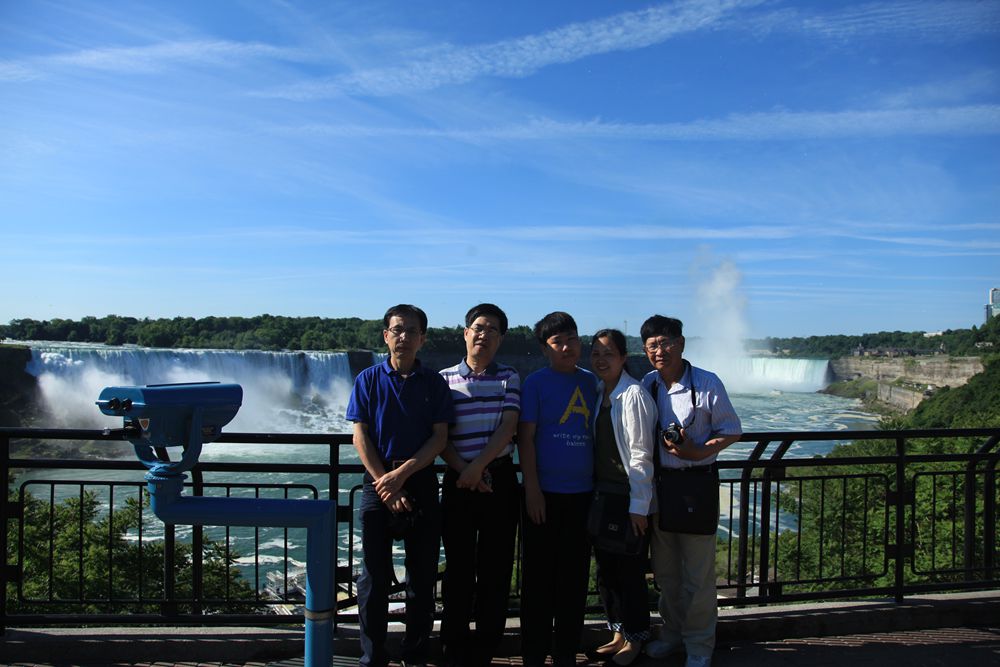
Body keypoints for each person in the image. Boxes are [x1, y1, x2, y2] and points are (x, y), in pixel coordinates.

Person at [345, 304, 454, 667]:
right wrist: (385, 483)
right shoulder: (367, 380)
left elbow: (440, 438)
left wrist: (399, 477)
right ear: (385, 336)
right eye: (397, 330)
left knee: (422, 578)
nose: (403, 337)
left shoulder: (434, 383)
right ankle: (373, 657)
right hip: (378, 482)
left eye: (411, 331)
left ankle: (415, 654)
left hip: (418, 481)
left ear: (422, 339)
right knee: (372, 578)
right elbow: (360, 436)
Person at [639, 315, 742, 667]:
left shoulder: (707, 382)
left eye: (666, 343)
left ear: (681, 344)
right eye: (652, 346)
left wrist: (698, 451)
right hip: (660, 489)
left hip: (696, 485)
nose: (660, 351)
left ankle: (699, 645)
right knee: (667, 574)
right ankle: (672, 634)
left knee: (698, 576)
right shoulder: (648, 383)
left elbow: (731, 429)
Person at [438, 303, 521, 667]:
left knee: (496, 567)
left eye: (492, 330)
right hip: (459, 478)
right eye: (478, 327)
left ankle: (487, 646)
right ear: (466, 333)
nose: (484, 335)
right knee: (457, 567)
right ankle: (453, 645)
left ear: (500, 339)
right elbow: (439, 435)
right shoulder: (443, 379)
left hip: (498, 479)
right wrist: (466, 470)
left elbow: (509, 427)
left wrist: (478, 468)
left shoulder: (510, 377)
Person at [518, 311, 597, 667]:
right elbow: (526, 439)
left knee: (574, 580)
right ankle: (534, 655)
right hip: (544, 496)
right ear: (544, 348)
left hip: (583, 496)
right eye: (558, 342)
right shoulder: (535, 383)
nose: (567, 347)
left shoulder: (592, 383)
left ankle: (565, 654)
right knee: (537, 581)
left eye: (572, 339)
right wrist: (532, 490)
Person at [588, 329, 657, 665]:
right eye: (596, 353)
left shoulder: (633, 395)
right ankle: (617, 632)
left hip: (628, 498)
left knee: (630, 573)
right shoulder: (600, 391)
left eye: (609, 353)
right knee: (607, 572)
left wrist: (639, 507)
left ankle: (636, 638)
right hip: (603, 495)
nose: (601, 360)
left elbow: (642, 454)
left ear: (623, 357)